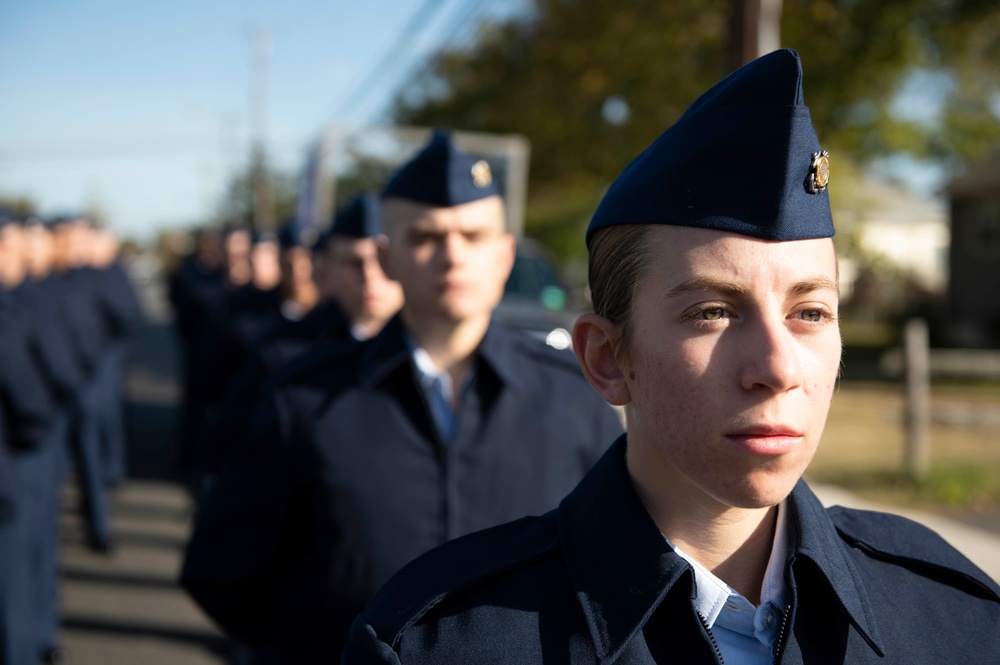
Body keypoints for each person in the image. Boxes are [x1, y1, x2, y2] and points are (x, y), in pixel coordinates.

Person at [342, 49, 1000, 664]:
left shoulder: (951, 618)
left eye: (810, 313)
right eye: (713, 312)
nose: (778, 366)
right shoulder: (441, 643)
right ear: (605, 357)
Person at [181, 131, 624, 662]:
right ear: (387, 259)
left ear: (505, 255)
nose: (452, 255)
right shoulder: (307, 398)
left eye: (473, 235)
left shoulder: (574, 398)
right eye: (426, 236)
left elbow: (617, 570)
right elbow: (222, 569)